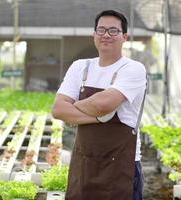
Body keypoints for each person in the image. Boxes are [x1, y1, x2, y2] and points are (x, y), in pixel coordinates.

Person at [52, 10, 147, 200]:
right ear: (94, 34)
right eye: (101, 30)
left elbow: (105, 104)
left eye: (113, 31)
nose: (106, 35)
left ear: (124, 37)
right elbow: (58, 110)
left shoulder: (133, 68)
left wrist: (76, 107)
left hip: (122, 165)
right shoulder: (80, 66)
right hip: (83, 164)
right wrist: (98, 116)